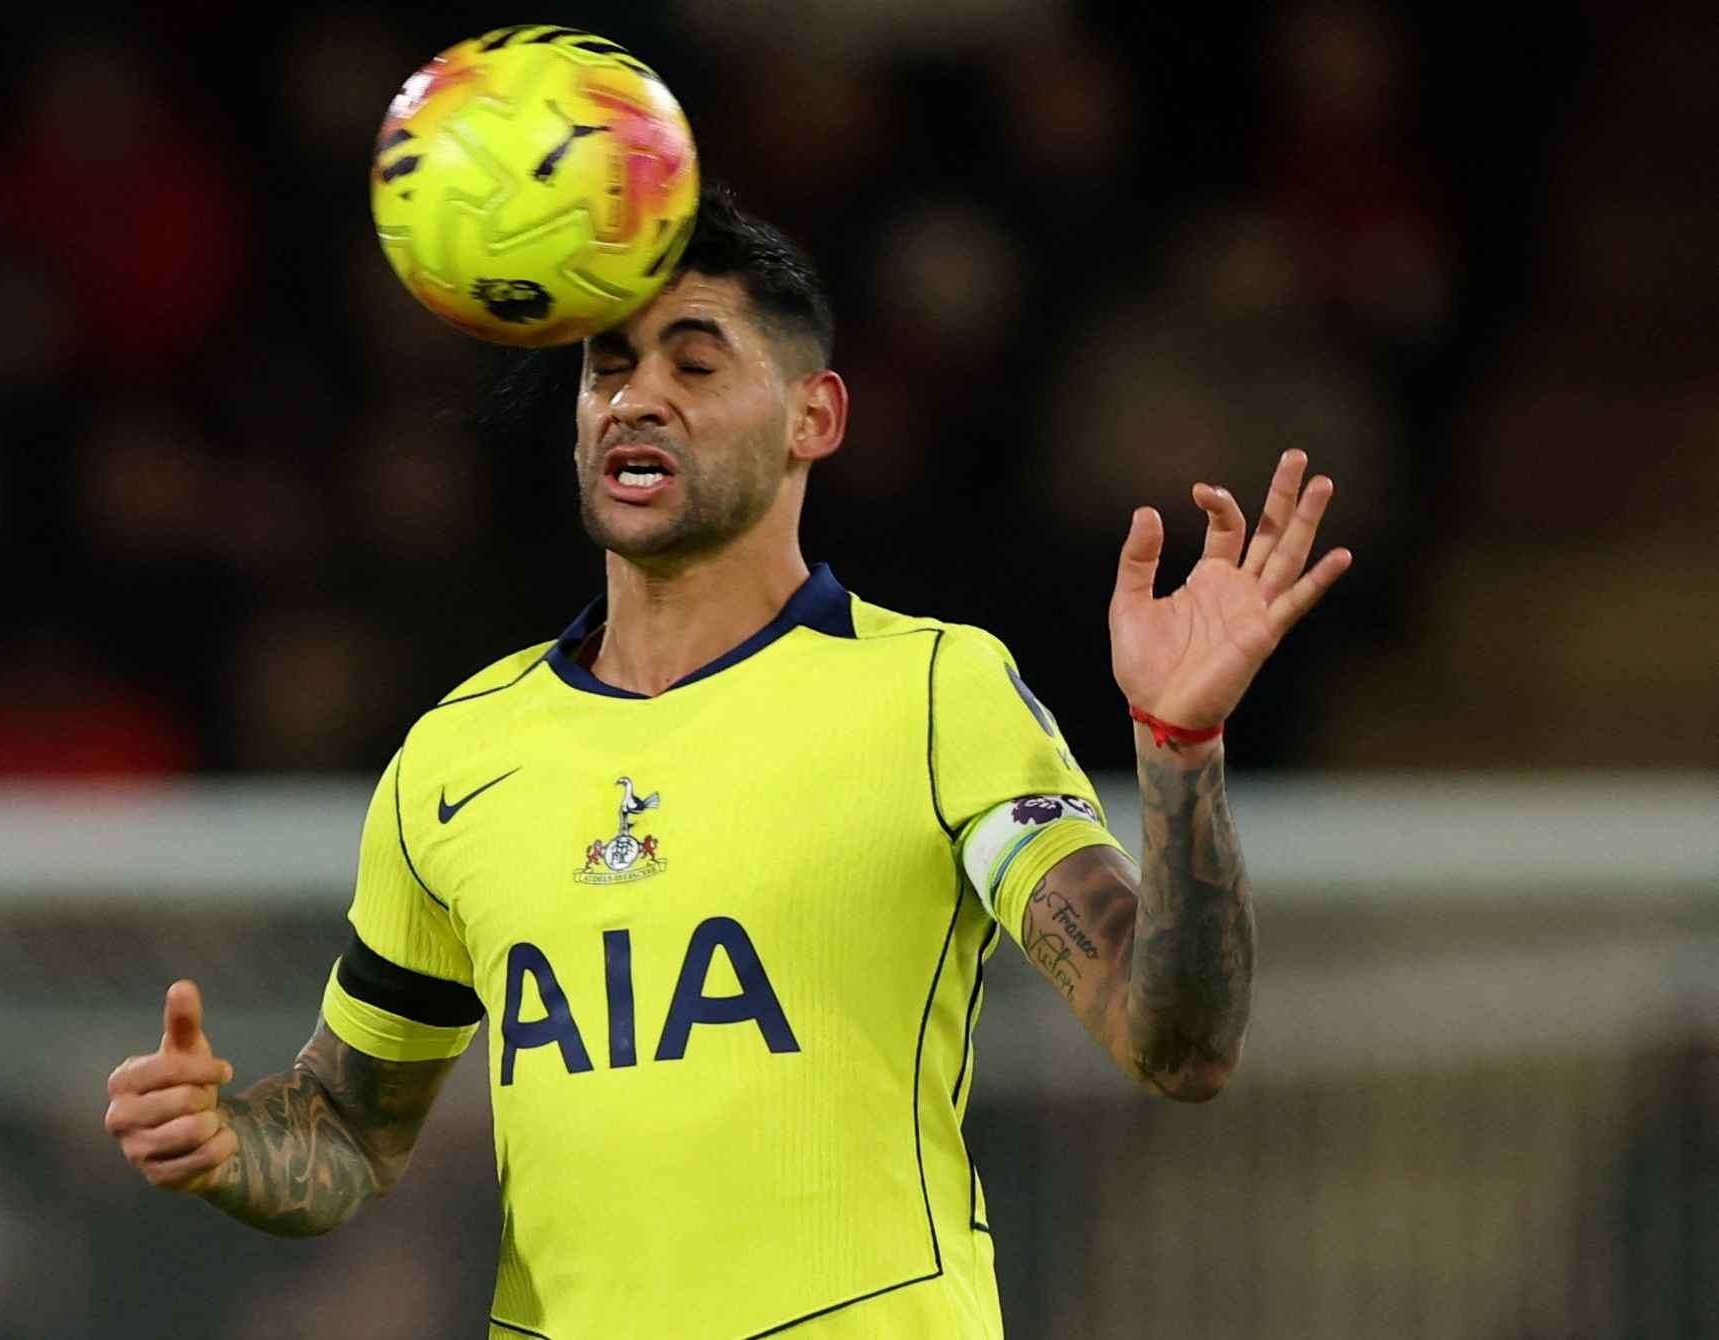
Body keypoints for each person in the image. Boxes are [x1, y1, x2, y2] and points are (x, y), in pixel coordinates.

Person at [103, 185, 1351, 1338]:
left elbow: (1176, 1040)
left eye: (694, 364)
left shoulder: (930, 691)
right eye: (608, 368)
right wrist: (223, 1138)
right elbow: (346, 1131)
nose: (636, 398)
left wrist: (1180, 749)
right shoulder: (457, 754)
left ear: (817, 415)